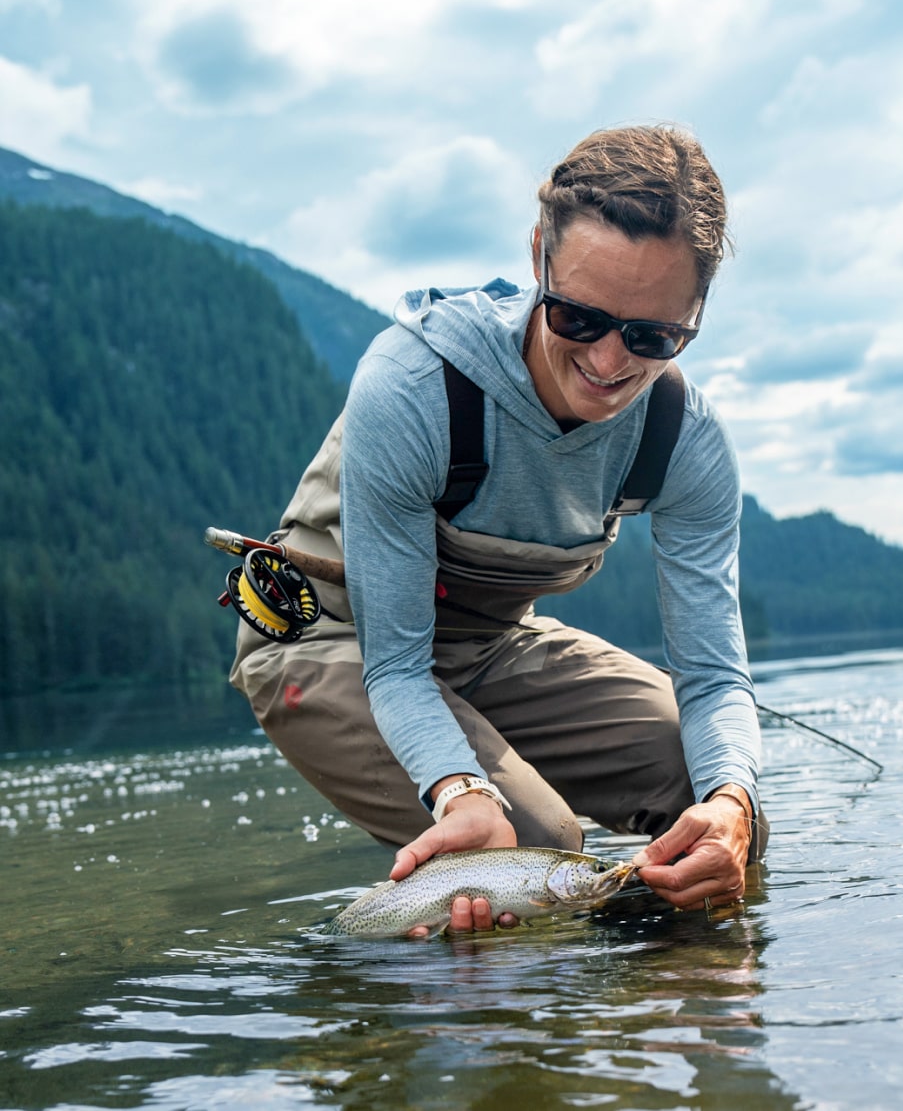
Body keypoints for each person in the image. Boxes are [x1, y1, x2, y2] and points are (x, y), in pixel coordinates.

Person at [231, 124, 766, 935]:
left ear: (694, 316)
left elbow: (715, 680)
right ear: (538, 259)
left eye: (653, 336)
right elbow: (400, 664)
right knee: (538, 844)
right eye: (580, 317)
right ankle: (406, 996)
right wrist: (461, 788)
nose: (612, 362)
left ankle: (660, 1015)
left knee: (717, 804)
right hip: (331, 643)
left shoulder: (684, 440)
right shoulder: (413, 385)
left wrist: (733, 803)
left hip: (486, 650)